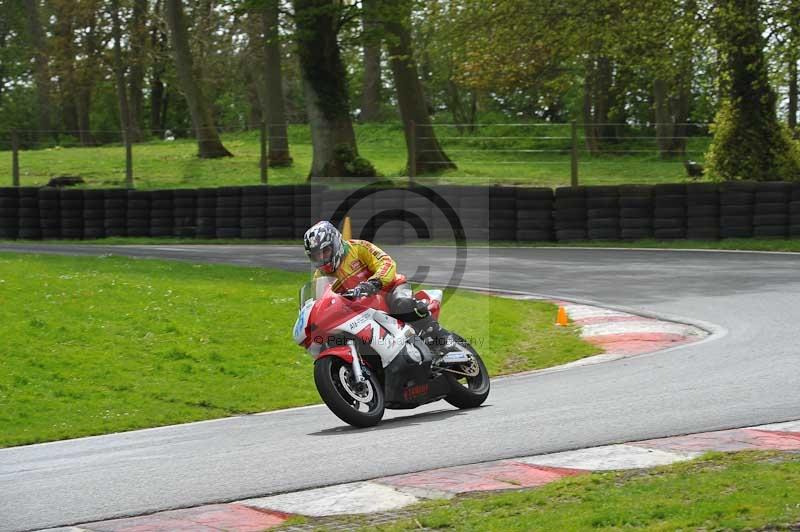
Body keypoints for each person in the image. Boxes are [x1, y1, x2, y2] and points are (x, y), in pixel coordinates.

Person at [303, 220, 454, 353]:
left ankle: (443, 338)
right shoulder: (320, 276)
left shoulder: (359, 248)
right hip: (362, 309)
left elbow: (386, 262)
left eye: (325, 251)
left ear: (336, 243)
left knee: (403, 304)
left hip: (390, 289)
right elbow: (322, 302)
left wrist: (374, 282)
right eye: (316, 255)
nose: (322, 258)